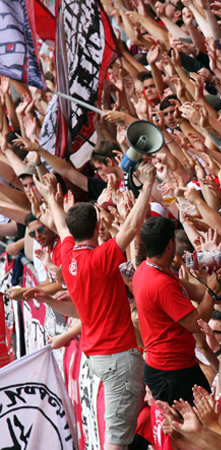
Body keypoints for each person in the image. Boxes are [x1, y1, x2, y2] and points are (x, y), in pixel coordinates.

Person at [28, 164, 155, 450]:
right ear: (98, 228)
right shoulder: (101, 258)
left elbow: (61, 226)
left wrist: (52, 198)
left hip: (98, 356)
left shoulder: (67, 255)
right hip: (118, 357)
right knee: (116, 443)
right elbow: (133, 227)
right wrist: (147, 185)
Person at [134, 216, 221, 404]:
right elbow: (197, 323)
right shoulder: (160, 283)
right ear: (170, 245)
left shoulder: (147, 269)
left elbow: (194, 291)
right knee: (199, 426)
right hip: (172, 372)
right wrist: (212, 292)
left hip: (175, 367)